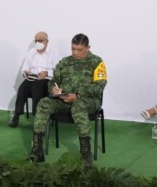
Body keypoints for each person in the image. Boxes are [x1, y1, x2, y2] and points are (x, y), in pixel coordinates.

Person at [28, 33, 106, 169]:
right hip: (63, 99)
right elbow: (53, 81)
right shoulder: (65, 62)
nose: (75, 52)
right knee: (43, 103)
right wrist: (53, 89)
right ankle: (36, 150)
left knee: (78, 106)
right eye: (73, 49)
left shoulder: (97, 62)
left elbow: (100, 86)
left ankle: (86, 156)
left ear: (88, 48)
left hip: (87, 101)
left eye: (79, 50)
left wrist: (78, 95)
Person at [8, 31, 59, 127]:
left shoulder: (53, 54)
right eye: (36, 40)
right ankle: (16, 115)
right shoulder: (31, 53)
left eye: (40, 40)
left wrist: (47, 72)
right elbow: (24, 68)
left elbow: (57, 71)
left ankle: (38, 117)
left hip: (46, 80)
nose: (38, 42)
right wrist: (25, 72)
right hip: (32, 78)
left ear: (46, 41)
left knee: (37, 86)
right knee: (22, 88)